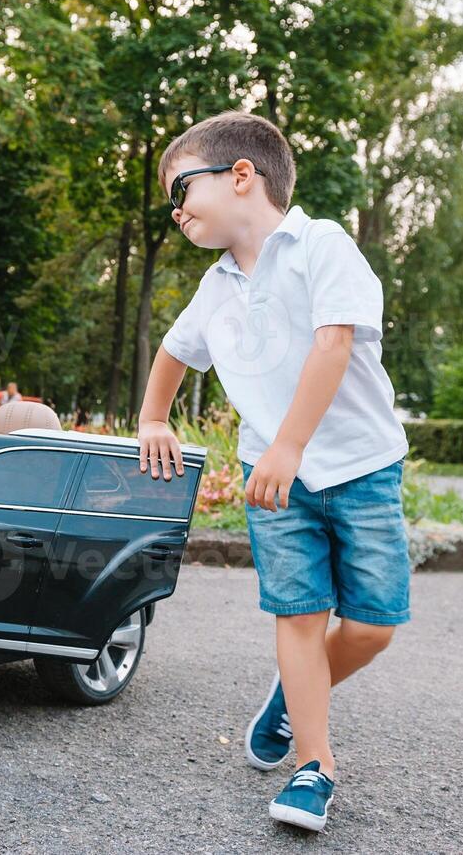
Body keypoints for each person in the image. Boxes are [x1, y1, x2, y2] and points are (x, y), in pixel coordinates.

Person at [134, 110, 410, 833]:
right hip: (270, 475)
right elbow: (174, 350)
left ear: (241, 176)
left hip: (359, 465)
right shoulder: (216, 284)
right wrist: (153, 418)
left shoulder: (320, 243)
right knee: (297, 612)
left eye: (181, 189)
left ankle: (291, 696)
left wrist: (291, 446)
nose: (176, 210)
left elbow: (334, 343)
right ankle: (312, 767)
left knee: (374, 625)